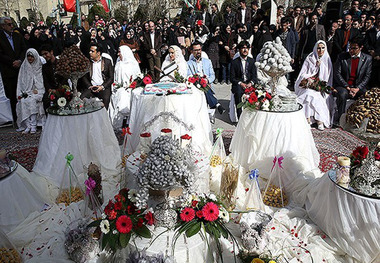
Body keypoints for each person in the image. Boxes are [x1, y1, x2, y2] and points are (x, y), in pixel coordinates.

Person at [295, 41, 335, 130]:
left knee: (314, 96)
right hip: (308, 84)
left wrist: (321, 67)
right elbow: (303, 73)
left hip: (319, 86)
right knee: (308, 94)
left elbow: (327, 77)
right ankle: (308, 119)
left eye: (322, 48)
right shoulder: (310, 58)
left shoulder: (327, 59)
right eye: (318, 48)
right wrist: (309, 76)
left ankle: (319, 120)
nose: (320, 50)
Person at [333, 38, 372, 122]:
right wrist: (347, 87)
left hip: (358, 86)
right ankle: (340, 119)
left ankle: (361, 120)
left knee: (367, 95)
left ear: (361, 48)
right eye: (350, 47)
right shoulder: (342, 57)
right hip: (344, 85)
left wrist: (357, 88)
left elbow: (367, 76)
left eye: (354, 48)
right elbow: (337, 74)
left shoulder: (367, 59)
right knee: (342, 94)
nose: (351, 50)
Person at [187, 42, 225, 123]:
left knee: (204, 86)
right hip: (195, 85)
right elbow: (188, 76)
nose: (198, 52)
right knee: (202, 85)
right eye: (196, 50)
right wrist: (196, 79)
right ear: (192, 51)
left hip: (207, 84)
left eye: (199, 50)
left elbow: (212, 75)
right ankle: (216, 104)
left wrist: (207, 80)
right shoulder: (188, 63)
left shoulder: (207, 61)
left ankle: (212, 109)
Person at [0, 17, 26, 122]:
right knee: (11, 95)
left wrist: (19, 60)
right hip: (8, 71)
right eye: (9, 24)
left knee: (22, 94)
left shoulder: (17, 36)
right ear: (2, 26)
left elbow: (24, 49)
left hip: (20, 69)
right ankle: (15, 118)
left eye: (12, 24)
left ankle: (24, 116)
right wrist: (12, 62)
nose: (12, 26)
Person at [109, 45, 141, 129]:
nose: (118, 54)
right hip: (119, 88)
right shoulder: (118, 63)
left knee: (124, 98)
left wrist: (130, 86)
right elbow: (116, 78)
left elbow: (137, 77)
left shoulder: (133, 64)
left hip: (130, 88)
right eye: (118, 52)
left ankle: (127, 122)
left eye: (120, 52)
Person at [15, 48, 45, 133]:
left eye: (32, 56)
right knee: (23, 101)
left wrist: (37, 89)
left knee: (32, 101)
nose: (30, 58)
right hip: (27, 91)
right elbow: (20, 81)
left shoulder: (39, 66)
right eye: (28, 56)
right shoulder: (24, 67)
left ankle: (33, 125)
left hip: (38, 91)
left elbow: (41, 80)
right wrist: (22, 92)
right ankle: (28, 125)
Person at [80, 43, 114, 109]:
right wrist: (89, 86)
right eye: (90, 51)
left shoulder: (107, 62)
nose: (90, 53)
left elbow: (111, 78)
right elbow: (84, 77)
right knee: (81, 99)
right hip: (91, 88)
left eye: (92, 51)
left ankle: (103, 117)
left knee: (106, 100)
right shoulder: (88, 62)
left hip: (103, 87)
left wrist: (102, 86)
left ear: (98, 53)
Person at [230, 41, 257, 118]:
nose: (245, 50)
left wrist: (251, 83)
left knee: (257, 94)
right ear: (239, 50)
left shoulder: (252, 61)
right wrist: (240, 83)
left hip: (249, 84)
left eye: (247, 48)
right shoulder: (234, 62)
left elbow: (255, 77)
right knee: (238, 93)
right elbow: (232, 78)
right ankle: (240, 117)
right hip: (239, 84)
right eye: (243, 48)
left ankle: (252, 117)